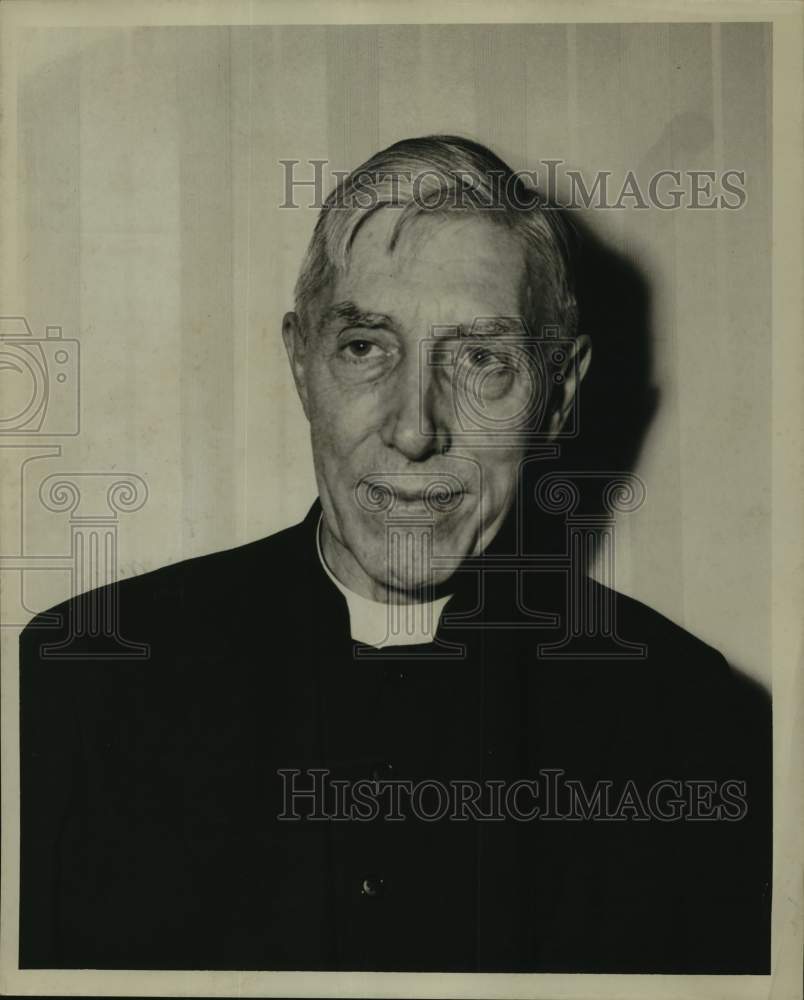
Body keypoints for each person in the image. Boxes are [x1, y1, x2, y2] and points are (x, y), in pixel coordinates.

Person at [19, 135, 771, 973]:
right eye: (367, 347)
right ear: (302, 364)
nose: (415, 429)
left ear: (558, 397)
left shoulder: (697, 724)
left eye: (483, 360)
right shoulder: (76, 680)